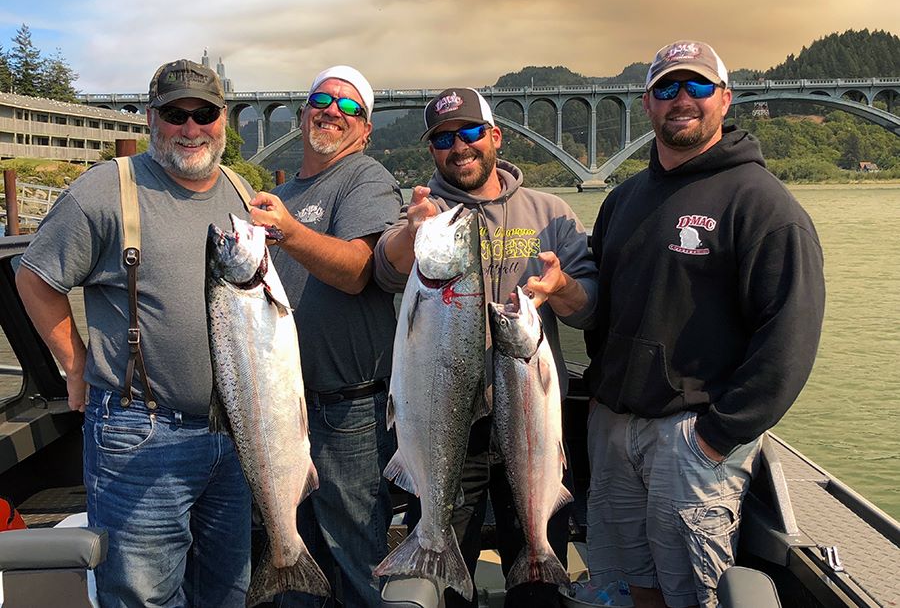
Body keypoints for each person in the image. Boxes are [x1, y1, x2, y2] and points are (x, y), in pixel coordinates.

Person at [583, 40, 826, 608]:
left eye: (697, 86)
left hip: (692, 439)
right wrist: (600, 394)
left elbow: (789, 336)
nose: (682, 99)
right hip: (616, 429)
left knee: (694, 595)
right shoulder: (622, 200)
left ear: (725, 98)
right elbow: (606, 312)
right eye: (667, 87)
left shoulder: (762, 205)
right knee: (628, 587)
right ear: (648, 103)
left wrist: (717, 436)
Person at [16, 59, 254, 607]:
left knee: (228, 591)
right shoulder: (104, 190)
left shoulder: (241, 192)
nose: (191, 128)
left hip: (235, 433)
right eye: (175, 114)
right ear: (150, 119)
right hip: (140, 433)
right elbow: (34, 278)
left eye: (205, 114)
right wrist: (76, 364)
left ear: (224, 119)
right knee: (142, 597)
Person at [374, 87, 598, 607]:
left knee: (539, 584)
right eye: (443, 139)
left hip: (533, 422)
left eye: (470, 132)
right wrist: (412, 234)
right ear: (432, 151)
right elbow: (385, 270)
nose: (459, 147)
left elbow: (589, 310)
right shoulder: (424, 214)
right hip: (450, 427)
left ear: (495, 136)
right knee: (447, 588)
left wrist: (562, 287)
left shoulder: (551, 212)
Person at [248, 65, 402, 607]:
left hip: (349, 414)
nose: (332, 110)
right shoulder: (280, 193)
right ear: (302, 112)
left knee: (358, 565)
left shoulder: (366, 179)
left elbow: (358, 270)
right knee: (293, 568)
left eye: (350, 106)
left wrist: (288, 231)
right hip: (278, 411)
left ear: (366, 129)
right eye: (321, 99)